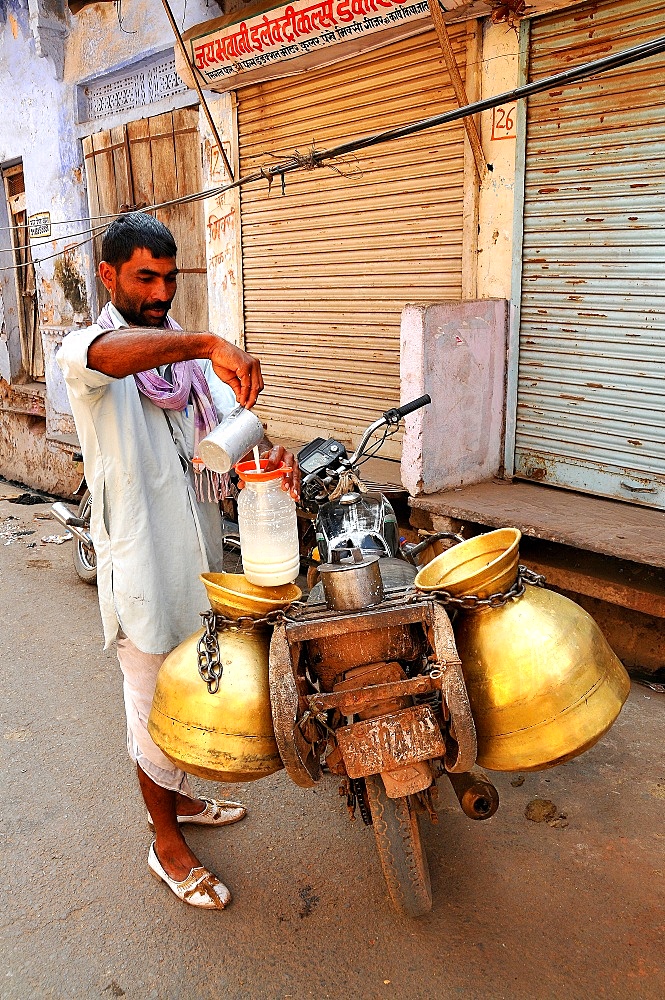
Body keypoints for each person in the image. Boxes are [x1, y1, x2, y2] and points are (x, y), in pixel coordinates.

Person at [58, 212, 299, 911]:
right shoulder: (89, 351)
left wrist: (268, 456)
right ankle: (164, 839)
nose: (162, 292)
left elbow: (236, 432)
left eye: (170, 278)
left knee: (197, 685)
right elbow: (112, 354)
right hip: (141, 566)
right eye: (145, 278)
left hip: (204, 560)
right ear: (108, 276)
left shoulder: (188, 366)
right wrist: (201, 339)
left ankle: (182, 802)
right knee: (151, 706)